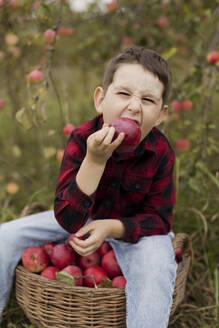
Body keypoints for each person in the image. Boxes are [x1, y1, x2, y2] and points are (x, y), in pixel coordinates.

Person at [0, 46, 178, 328]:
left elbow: (159, 219)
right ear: (100, 100)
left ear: (160, 115)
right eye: (123, 94)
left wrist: (111, 227)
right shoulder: (82, 139)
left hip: (136, 230)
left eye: (147, 100)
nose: (134, 106)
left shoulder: (161, 151)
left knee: (157, 266)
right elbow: (68, 219)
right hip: (81, 219)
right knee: (4, 236)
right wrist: (94, 160)